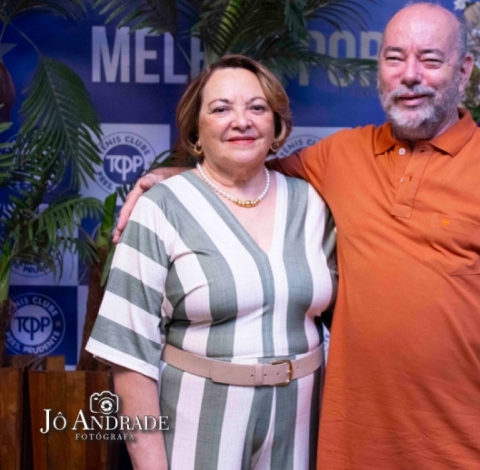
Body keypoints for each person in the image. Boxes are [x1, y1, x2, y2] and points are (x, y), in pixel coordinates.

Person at [116, 3, 480, 470]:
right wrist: (172, 181)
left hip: (475, 451)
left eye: (430, 60)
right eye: (394, 58)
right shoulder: (340, 156)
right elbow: (242, 172)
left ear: (464, 70)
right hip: (351, 451)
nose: (409, 75)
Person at [86, 55, 337, 470]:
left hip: (299, 431)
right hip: (196, 425)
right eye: (221, 109)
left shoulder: (311, 203)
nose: (241, 121)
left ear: (276, 124)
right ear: (196, 130)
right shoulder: (160, 208)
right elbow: (129, 358)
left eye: (257, 107)